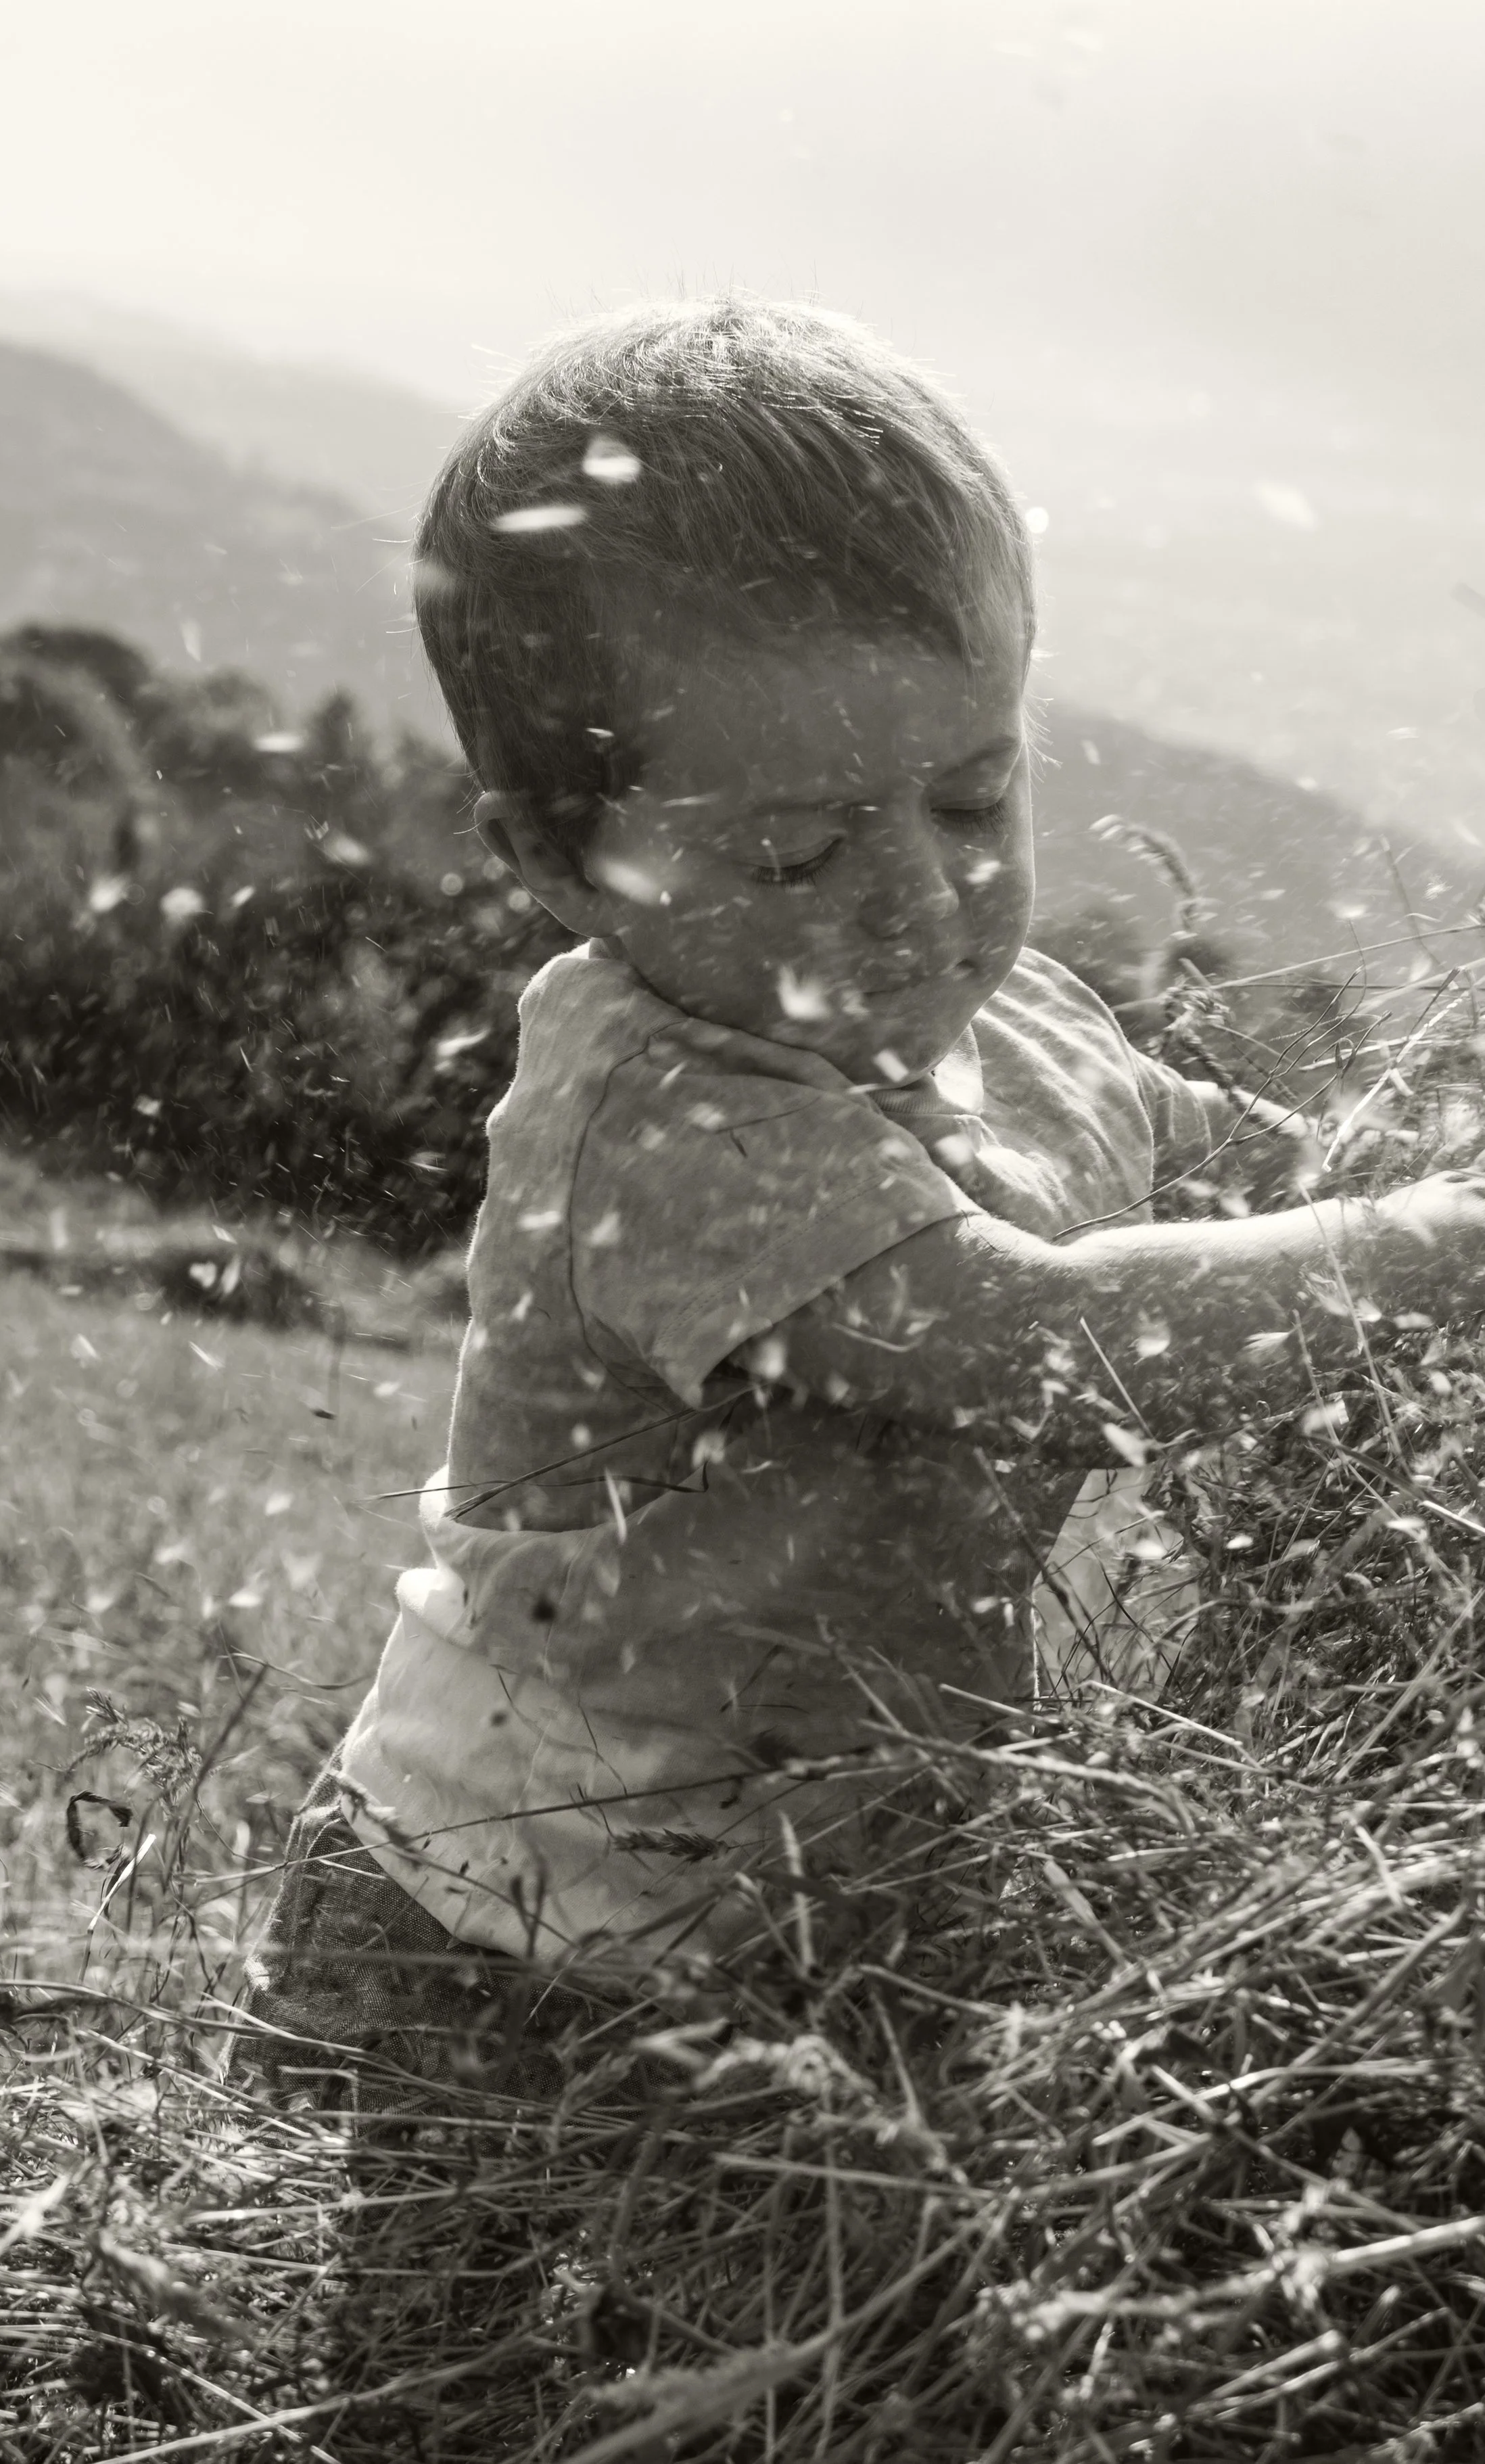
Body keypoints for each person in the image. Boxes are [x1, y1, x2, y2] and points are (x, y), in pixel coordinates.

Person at [234, 295, 1485, 2095]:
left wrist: (1397, 1176)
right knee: (508, 2371)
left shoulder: (1017, 1018)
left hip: (837, 1914)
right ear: (559, 865)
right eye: (793, 850)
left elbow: (1248, 1174)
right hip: (515, 1946)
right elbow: (1051, 1344)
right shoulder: (664, 1123)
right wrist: (1438, 1257)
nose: (915, 898)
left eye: (972, 798)